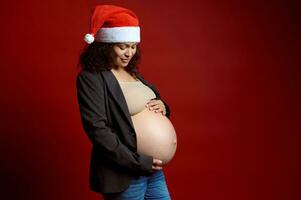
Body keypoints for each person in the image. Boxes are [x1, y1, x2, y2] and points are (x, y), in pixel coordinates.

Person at [76, 5, 172, 200]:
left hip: (153, 172)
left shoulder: (131, 73)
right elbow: (98, 129)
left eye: (133, 46)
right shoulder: (91, 78)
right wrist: (137, 162)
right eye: (123, 46)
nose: (129, 53)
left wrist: (162, 106)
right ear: (106, 45)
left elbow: (146, 101)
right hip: (124, 175)